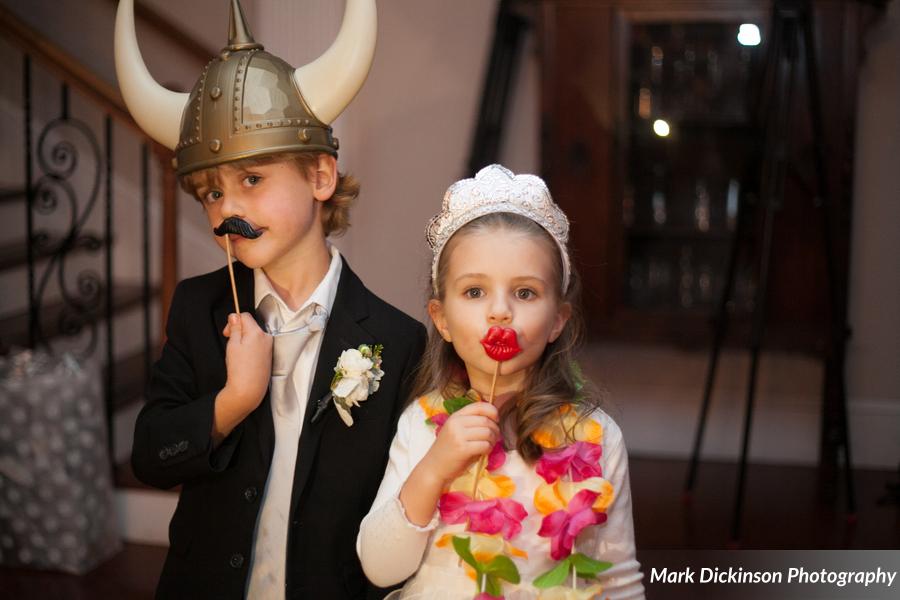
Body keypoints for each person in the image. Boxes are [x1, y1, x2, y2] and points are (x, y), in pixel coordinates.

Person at [114, 0, 425, 597]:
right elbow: (151, 456)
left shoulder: (398, 340)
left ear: (321, 177)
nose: (226, 211)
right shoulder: (197, 307)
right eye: (210, 193)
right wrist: (232, 402)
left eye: (252, 180)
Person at [357, 165, 645, 599]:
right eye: (475, 291)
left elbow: (619, 579)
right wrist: (434, 468)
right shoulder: (422, 425)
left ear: (557, 320)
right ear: (442, 319)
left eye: (525, 293)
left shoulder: (598, 437)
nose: (500, 312)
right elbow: (380, 568)